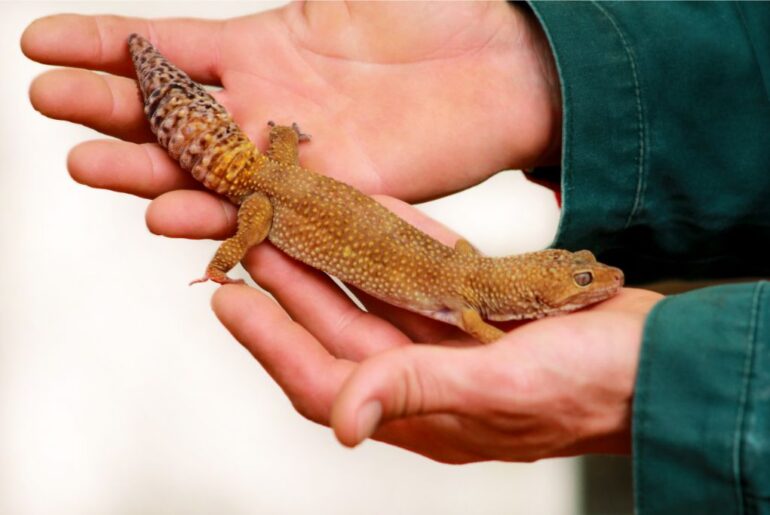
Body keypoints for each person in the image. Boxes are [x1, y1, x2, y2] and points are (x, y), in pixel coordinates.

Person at [22, 2, 770, 512]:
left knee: (268, 190)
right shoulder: (477, 303)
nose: (601, 279)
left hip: (280, 174)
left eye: (586, 275)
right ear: (539, 297)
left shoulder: (477, 278)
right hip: (266, 189)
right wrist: (228, 255)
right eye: (582, 273)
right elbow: (482, 332)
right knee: (251, 217)